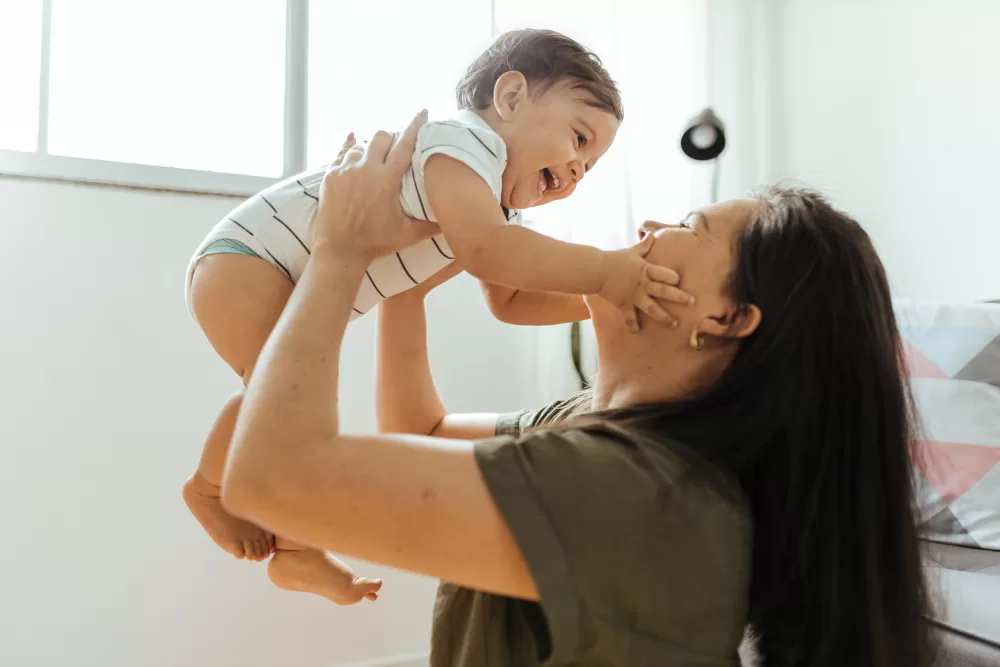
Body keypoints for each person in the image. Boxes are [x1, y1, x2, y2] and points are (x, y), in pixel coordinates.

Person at [220, 116, 935, 667]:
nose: (651, 227)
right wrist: (401, 274)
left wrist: (339, 250)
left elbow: (271, 480)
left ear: (724, 318)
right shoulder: (598, 427)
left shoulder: (640, 491)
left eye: (690, 227)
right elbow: (422, 429)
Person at [182, 28, 690, 605]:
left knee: (284, 392)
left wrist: (605, 296)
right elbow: (485, 250)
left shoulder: (496, 205)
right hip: (248, 259)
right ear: (511, 97)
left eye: (590, 167)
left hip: (281, 269)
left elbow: (512, 300)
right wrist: (606, 271)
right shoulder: (461, 144)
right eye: (578, 138)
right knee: (278, 393)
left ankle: (294, 546)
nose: (577, 170)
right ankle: (210, 489)